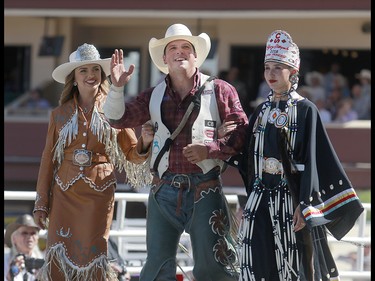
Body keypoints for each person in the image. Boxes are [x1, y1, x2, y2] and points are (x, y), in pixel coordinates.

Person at [103, 23, 249, 281]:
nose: (179, 52)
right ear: (165, 58)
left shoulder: (220, 90)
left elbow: (242, 134)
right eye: (173, 48)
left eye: (185, 48)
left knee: (214, 268)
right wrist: (116, 88)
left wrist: (210, 150)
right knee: (157, 269)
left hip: (205, 187)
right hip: (164, 189)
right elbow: (117, 119)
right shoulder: (153, 95)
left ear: (196, 56)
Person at [229, 30, 364, 280]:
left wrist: (305, 205)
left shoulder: (306, 110)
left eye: (278, 68)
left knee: (292, 268)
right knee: (253, 264)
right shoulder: (260, 111)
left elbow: (314, 161)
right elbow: (249, 158)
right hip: (258, 201)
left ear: (293, 73)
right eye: (267, 67)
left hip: (289, 203)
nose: (270, 73)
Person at [32, 43, 154, 281]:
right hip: (64, 194)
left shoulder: (115, 108)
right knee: (58, 256)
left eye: (95, 70)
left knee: (94, 257)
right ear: (74, 79)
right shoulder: (59, 114)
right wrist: (41, 203)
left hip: (99, 194)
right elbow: (48, 158)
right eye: (83, 71)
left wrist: (145, 141)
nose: (91, 75)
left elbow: (131, 153)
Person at [4, 214, 44, 281]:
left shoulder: (44, 261)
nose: (29, 237)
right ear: (14, 238)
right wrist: (9, 278)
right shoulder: (5, 260)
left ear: (37, 239)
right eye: (24, 233)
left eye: (33, 233)